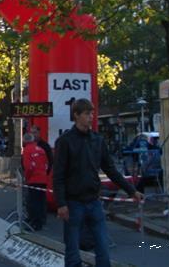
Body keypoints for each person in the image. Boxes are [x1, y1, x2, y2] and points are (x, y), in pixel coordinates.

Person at [53, 98, 143, 267]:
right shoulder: (65, 141)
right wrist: (61, 203)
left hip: (94, 200)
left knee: (102, 247)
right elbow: (58, 175)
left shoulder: (97, 140)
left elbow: (111, 170)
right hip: (73, 202)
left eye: (92, 113)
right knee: (72, 249)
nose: (91, 117)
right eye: (87, 113)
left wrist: (131, 191)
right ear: (76, 115)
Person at [22, 133, 48, 231]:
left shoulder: (27, 150)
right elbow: (46, 163)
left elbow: (28, 167)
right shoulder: (41, 150)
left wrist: (26, 178)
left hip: (34, 179)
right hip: (43, 178)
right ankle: (40, 220)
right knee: (41, 201)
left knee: (33, 202)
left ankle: (35, 223)